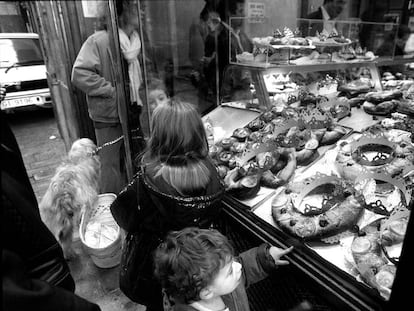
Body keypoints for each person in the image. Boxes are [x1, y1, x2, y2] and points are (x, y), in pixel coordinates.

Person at [110, 99, 225, 311]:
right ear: (198, 133)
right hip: (194, 266)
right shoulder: (213, 175)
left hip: (155, 270)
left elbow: (121, 215)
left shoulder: (147, 181)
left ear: (158, 136)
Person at [1, 111, 100, 311]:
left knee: (62, 232)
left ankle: (66, 250)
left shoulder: (68, 173)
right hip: (41, 275)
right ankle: (66, 250)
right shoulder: (88, 172)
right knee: (64, 232)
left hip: (48, 210)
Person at [71, 0, 144, 194]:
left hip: (133, 111)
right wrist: (112, 91)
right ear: (120, 12)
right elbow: (80, 74)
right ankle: (112, 207)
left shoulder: (136, 40)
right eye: (134, 7)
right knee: (110, 166)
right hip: (109, 114)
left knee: (137, 158)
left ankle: (134, 201)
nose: (141, 11)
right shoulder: (100, 40)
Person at [154, 227, 294, 311]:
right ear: (207, 292)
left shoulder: (211, 281)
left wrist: (265, 257)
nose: (237, 265)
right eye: (230, 272)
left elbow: (243, 268)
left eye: (232, 260)